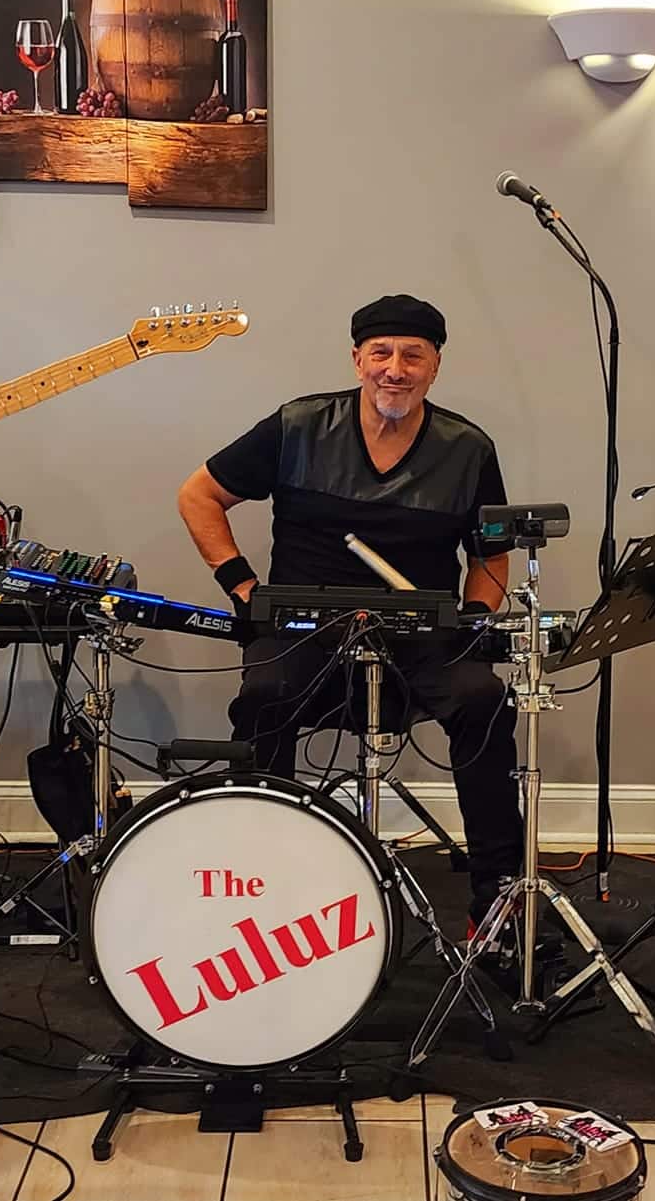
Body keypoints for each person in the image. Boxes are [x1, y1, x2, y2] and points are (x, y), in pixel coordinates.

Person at [175, 295, 528, 940]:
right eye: (381, 353)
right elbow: (199, 494)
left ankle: (499, 899)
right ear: (357, 360)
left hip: (422, 633)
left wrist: (475, 621)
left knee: (484, 701)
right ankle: (256, 879)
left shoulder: (468, 449)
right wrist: (243, 588)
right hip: (303, 627)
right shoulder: (299, 425)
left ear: (435, 367)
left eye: (413, 356)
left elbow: (491, 556)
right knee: (264, 695)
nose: (395, 369)